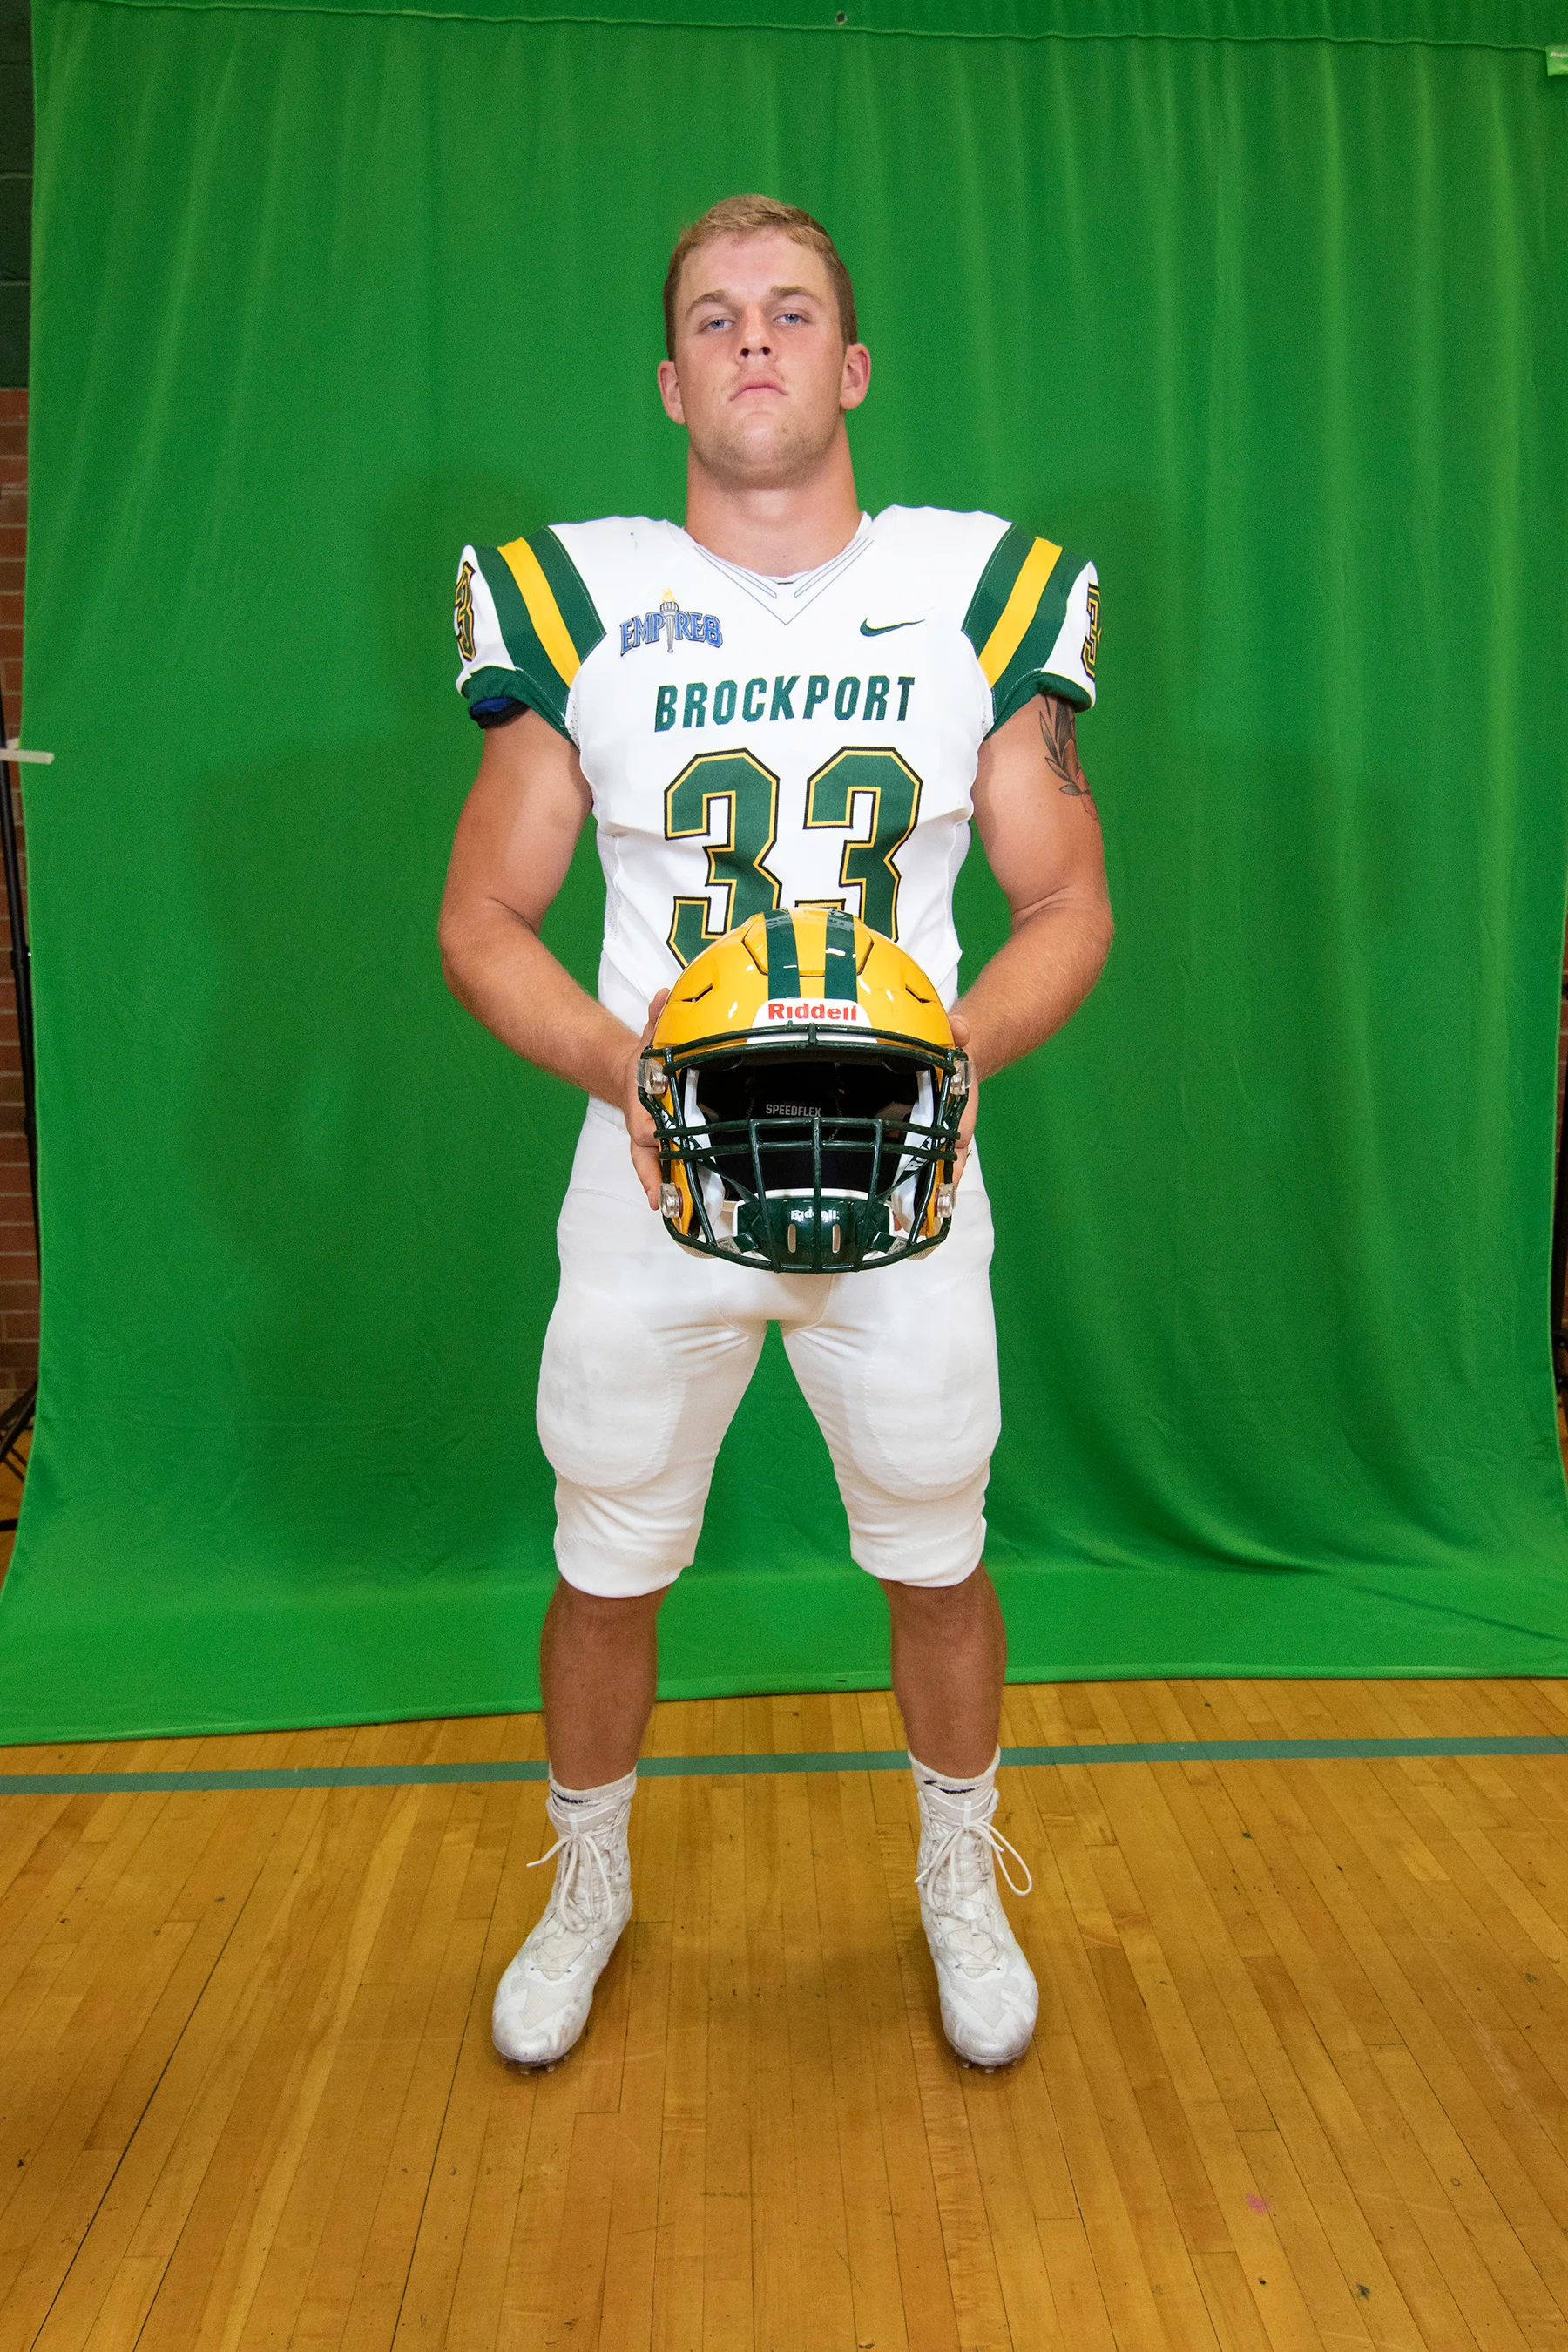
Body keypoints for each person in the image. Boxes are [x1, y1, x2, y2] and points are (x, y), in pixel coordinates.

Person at [438, 194, 1113, 2072]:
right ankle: (588, 1883)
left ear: (851, 363)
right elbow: (481, 914)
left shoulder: (978, 587)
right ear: (671, 377)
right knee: (607, 1554)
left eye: (792, 310)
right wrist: (629, 1074)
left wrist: (941, 1053)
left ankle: (960, 1876)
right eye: (718, 316)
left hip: (909, 1172)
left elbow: (1070, 901)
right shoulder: (581, 596)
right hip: (656, 1173)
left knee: (936, 1547)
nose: (755, 339)